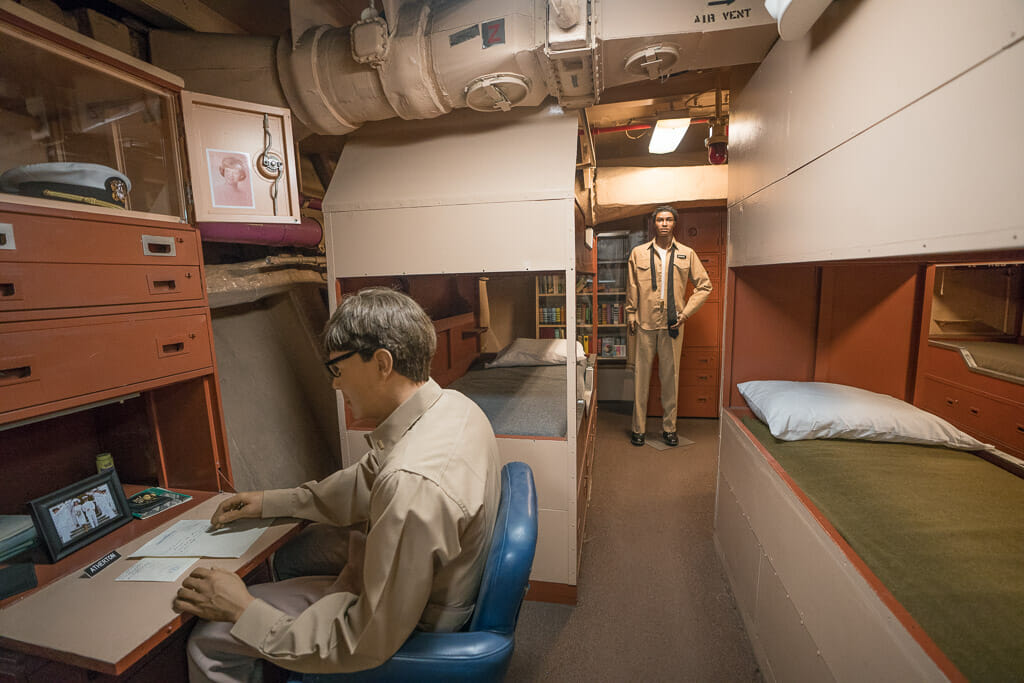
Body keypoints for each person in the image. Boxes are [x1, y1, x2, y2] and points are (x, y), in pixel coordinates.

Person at [175, 288, 501, 682]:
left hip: (401, 632)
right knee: (293, 560)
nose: (335, 385)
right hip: (427, 592)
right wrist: (270, 501)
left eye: (337, 369)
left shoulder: (411, 486)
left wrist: (242, 610)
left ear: (382, 363)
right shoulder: (453, 407)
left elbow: (362, 640)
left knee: (209, 637)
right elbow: (365, 480)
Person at [625, 206, 712, 447]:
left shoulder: (687, 253)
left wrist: (686, 313)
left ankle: (669, 428)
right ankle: (638, 429)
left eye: (669, 219)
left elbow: (704, 286)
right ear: (654, 224)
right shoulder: (638, 253)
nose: (664, 223)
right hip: (644, 324)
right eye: (660, 219)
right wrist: (631, 314)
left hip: (673, 324)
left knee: (670, 379)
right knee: (641, 379)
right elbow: (632, 287)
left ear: (675, 224)